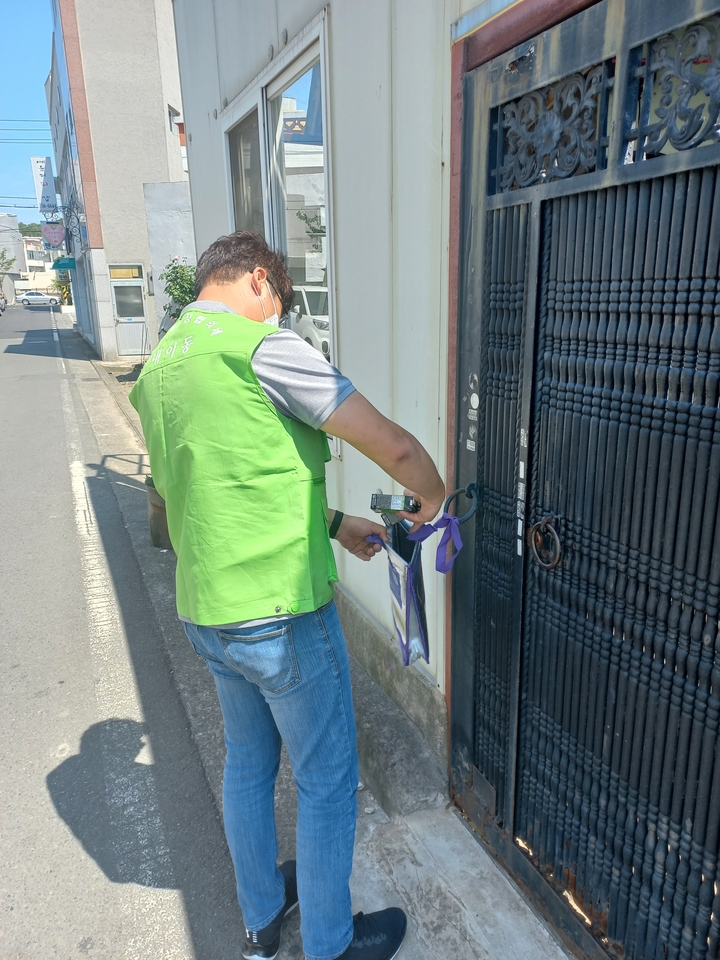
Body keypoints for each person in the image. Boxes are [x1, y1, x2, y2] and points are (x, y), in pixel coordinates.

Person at [129, 231, 445, 960]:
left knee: (247, 761)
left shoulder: (159, 369)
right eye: (279, 306)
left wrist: (335, 524)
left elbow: (213, 487)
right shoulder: (259, 346)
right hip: (280, 614)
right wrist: (430, 496)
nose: (278, 318)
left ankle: (262, 922)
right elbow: (390, 447)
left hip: (208, 611)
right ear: (261, 282)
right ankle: (332, 944)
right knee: (328, 780)